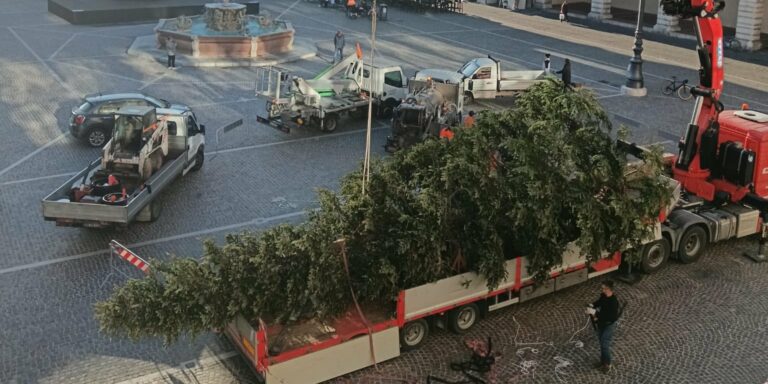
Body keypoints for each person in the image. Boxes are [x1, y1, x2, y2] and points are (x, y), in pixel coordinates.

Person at [588, 280, 620, 373]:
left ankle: (608, 364)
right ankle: (603, 362)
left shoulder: (613, 302)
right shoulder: (603, 296)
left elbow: (610, 317)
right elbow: (599, 302)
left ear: (608, 289)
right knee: (602, 342)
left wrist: (595, 313)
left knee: (604, 344)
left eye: (603, 288)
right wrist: (592, 305)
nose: (601, 290)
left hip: (608, 325)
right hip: (601, 323)